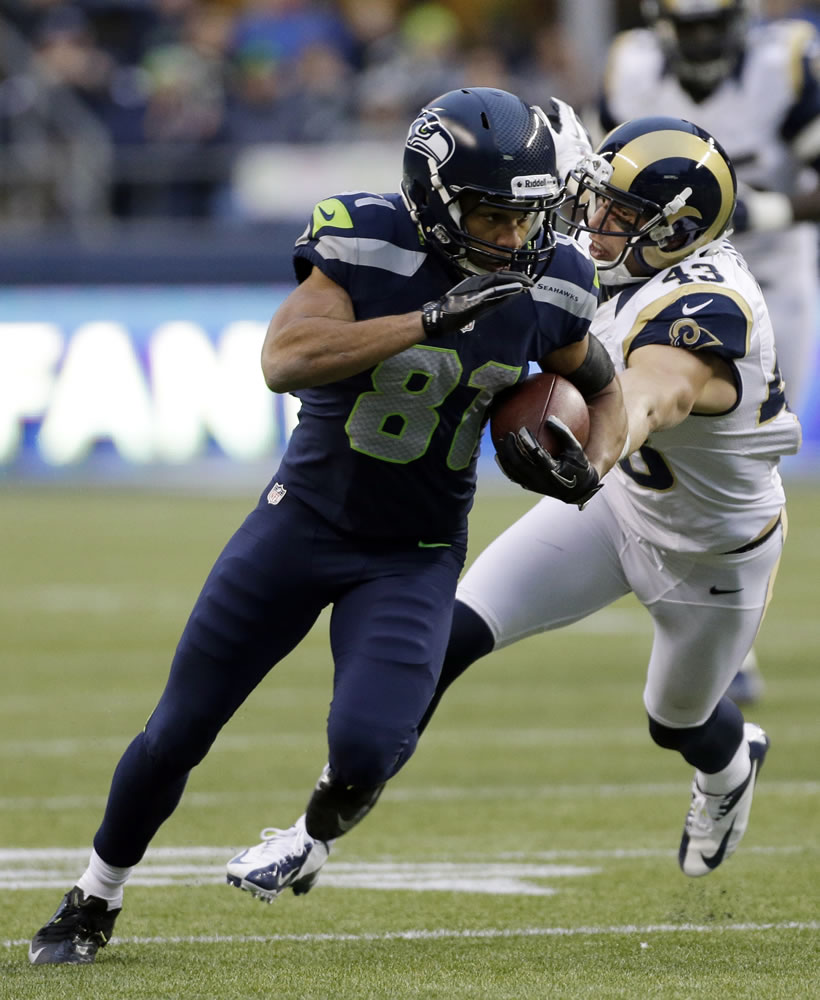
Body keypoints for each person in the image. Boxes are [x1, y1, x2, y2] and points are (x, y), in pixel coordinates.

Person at [27, 86, 628, 965]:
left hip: (414, 553)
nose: (513, 238)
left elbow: (605, 386)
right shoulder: (368, 239)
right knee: (180, 726)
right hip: (301, 523)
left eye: (526, 217)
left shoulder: (553, 282)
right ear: (434, 197)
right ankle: (93, 898)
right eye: (494, 216)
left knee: (368, 750)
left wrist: (595, 465)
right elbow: (285, 359)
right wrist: (424, 319)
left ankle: (306, 840)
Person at [244, 115, 801, 899]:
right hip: (610, 514)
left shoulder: (710, 304)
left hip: (710, 552)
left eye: (621, 215)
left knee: (674, 720)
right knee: (441, 644)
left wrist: (591, 449)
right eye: (598, 201)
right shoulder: (608, 252)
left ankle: (731, 762)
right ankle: (311, 837)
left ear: (675, 231)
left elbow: (651, 395)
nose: (596, 223)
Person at [597, 0, 820, 703]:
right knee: (657, 442)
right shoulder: (631, 67)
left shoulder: (784, 64)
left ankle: (732, 641)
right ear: (664, 26)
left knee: (744, 458)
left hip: (766, 287)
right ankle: (701, 626)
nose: (702, 38)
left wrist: (764, 210)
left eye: (712, 23)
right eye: (689, 25)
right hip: (658, 284)